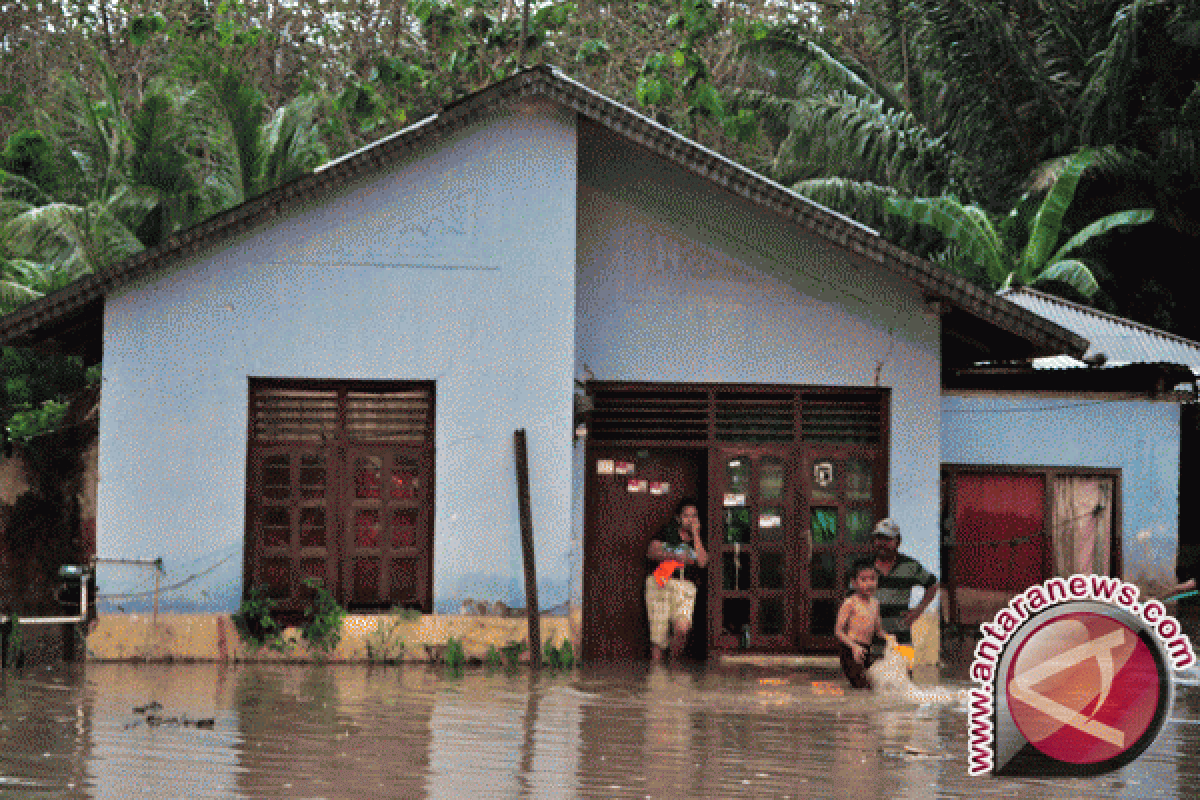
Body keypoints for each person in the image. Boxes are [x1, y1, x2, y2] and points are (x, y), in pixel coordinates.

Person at [645, 498, 708, 662]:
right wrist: (675, 556)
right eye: (686, 516)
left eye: (694, 516)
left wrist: (695, 535)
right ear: (678, 519)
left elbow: (702, 562)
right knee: (658, 636)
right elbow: (651, 552)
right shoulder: (668, 532)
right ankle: (658, 679)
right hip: (662, 582)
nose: (690, 520)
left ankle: (673, 666)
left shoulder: (699, 538)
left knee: (682, 628)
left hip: (685, 585)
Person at [869, 518, 939, 645]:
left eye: (888, 539)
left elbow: (933, 585)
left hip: (902, 641)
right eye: (879, 538)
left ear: (898, 541)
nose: (882, 543)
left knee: (904, 665)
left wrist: (918, 610)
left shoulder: (910, 566)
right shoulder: (864, 566)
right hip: (869, 640)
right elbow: (851, 598)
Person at [836, 559, 896, 688]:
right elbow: (838, 632)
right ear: (854, 582)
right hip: (850, 649)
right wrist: (854, 647)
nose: (869, 584)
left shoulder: (875, 603)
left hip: (866, 649)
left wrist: (889, 638)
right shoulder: (850, 603)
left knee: (873, 683)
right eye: (864, 580)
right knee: (861, 684)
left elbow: (878, 630)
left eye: (873, 579)